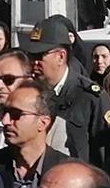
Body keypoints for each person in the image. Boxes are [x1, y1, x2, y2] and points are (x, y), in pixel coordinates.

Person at [28, 16, 105, 157]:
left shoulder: (89, 97)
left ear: (61, 57)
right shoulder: (27, 94)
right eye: (31, 56)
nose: (34, 63)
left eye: (39, 56)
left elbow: (106, 155)